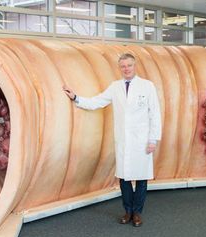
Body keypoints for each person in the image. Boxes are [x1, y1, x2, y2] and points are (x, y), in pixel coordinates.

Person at [63, 53, 162, 227]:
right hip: (124, 140)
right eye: (123, 66)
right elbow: (97, 101)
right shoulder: (115, 87)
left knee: (141, 178)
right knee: (123, 177)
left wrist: (153, 139)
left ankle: (137, 212)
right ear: (120, 68)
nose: (126, 69)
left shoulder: (147, 86)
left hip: (142, 140)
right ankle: (127, 211)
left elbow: (155, 114)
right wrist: (76, 98)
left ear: (135, 65)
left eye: (129, 65)